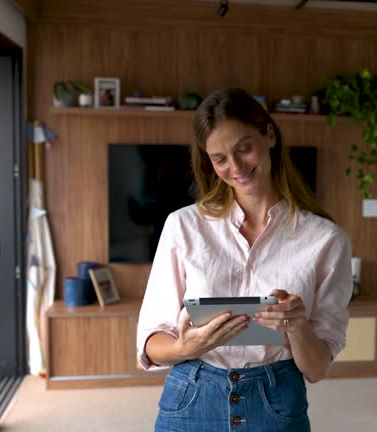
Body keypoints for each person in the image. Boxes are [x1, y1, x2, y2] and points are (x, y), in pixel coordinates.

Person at [136, 88, 353, 432]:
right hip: (191, 393)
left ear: (269, 135)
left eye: (244, 149)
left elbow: (316, 369)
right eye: (220, 158)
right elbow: (151, 344)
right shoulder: (182, 226)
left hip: (278, 400)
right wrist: (184, 346)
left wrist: (297, 326)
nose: (235, 167)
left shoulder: (327, 240)